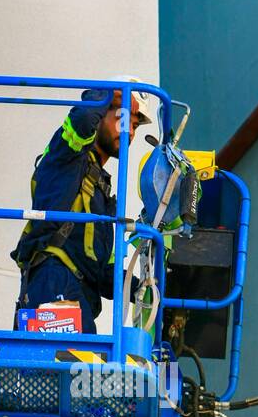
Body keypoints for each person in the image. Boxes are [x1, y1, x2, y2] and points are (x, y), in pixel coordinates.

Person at [11, 82, 153, 334]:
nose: (129, 131)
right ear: (101, 115)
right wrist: (109, 93)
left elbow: (103, 275)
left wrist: (145, 288)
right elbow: (83, 118)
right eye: (122, 118)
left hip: (78, 296)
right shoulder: (67, 156)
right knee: (68, 365)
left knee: (86, 369)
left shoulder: (103, 194)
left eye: (133, 125)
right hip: (54, 280)